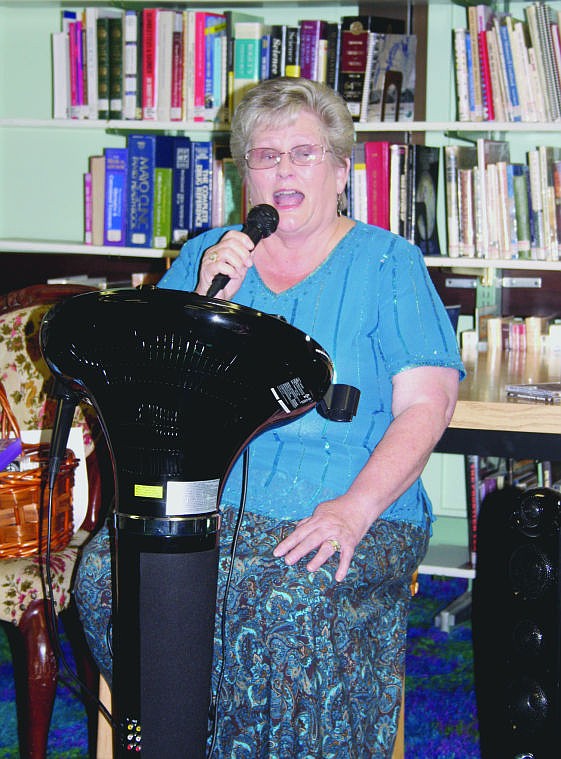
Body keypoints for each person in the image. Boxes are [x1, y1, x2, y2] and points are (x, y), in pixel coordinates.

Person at [75, 77, 464, 758]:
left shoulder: (386, 263)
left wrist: (352, 509)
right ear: (241, 172)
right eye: (264, 155)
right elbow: (157, 402)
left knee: (280, 596)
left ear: (341, 170)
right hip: (212, 502)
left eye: (303, 153)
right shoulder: (209, 255)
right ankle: (181, 735)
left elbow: (427, 406)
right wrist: (200, 299)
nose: (282, 170)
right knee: (105, 575)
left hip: (353, 499)